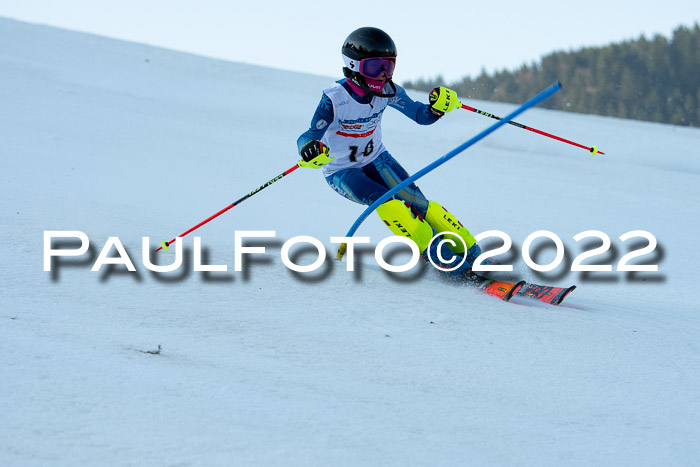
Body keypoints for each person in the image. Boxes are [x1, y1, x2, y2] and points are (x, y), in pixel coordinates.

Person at [296, 26, 481, 276]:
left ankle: (474, 254)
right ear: (353, 66)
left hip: (378, 160)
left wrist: (436, 108)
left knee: (419, 204)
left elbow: (420, 115)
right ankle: (443, 260)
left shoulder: (388, 91)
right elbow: (309, 135)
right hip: (343, 171)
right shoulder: (335, 97)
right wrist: (309, 149)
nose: (383, 75)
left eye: (389, 66)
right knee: (387, 202)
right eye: (375, 67)